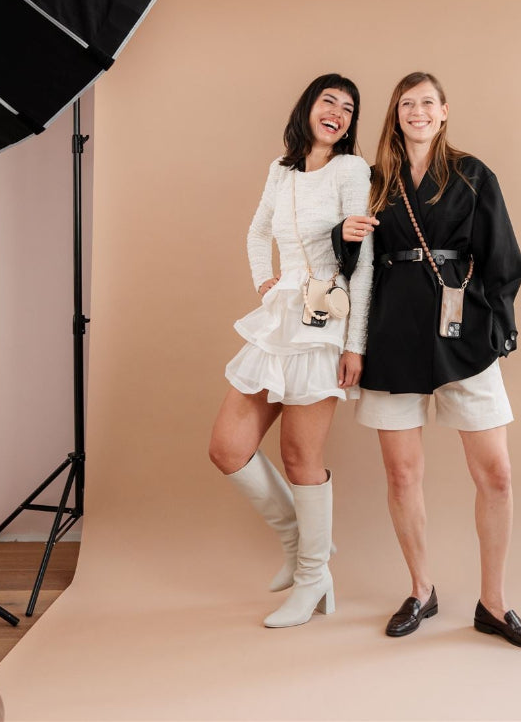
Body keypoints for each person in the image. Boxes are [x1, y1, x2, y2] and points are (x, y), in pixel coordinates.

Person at [339, 71, 521, 650]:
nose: (418, 112)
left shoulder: (473, 174)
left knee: (496, 474)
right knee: (402, 474)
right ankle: (421, 589)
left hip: (463, 333)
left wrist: (496, 325)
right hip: (392, 333)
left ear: (445, 111)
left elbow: (503, 256)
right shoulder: (373, 180)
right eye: (407, 103)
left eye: (427, 102)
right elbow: (353, 264)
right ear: (395, 113)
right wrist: (344, 235)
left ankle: (494, 604)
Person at [209, 73, 373, 629]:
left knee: (301, 458)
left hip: (325, 321)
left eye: (348, 108)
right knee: (228, 448)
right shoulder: (280, 170)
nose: (337, 113)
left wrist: (355, 344)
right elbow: (258, 233)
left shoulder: (351, 171)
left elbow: (363, 261)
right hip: (279, 316)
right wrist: (265, 282)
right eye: (329, 101)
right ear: (308, 107)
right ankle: (301, 546)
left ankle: (311, 578)